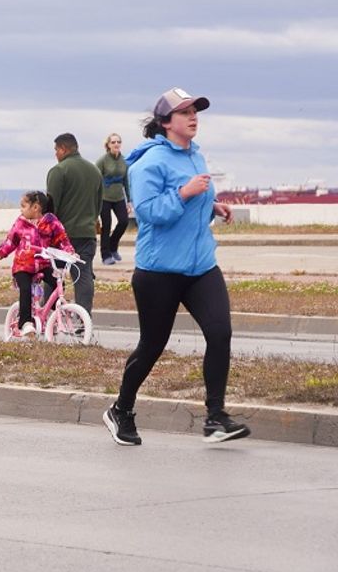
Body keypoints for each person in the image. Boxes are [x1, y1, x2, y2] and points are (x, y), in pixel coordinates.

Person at [103, 87, 251, 446]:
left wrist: (212, 207)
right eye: (185, 112)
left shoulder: (195, 155)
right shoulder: (149, 163)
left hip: (200, 265)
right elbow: (150, 213)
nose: (193, 117)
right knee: (153, 344)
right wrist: (184, 194)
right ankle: (121, 409)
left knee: (220, 333)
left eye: (196, 111)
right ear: (166, 122)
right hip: (159, 271)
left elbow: (196, 198)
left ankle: (215, 418)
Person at [0, 191, 75, 338]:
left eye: (23, 206)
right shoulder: (20, 223)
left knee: (58, 284)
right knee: (25, 289)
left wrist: (70, 253)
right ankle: (25, 323)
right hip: (22, 266)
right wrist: (1, 253)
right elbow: (11, 241)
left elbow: (63, 240)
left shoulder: (52, 223)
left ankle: (53, 315)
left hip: (43, 265)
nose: (21, 209)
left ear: (35, 207)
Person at [46, 132, 102, 315]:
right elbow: (98, 203)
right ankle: (83, 320)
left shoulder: (59, 171)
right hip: (87, 234)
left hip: (61, 236)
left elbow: (51, 208)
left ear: (63, 149)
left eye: (56, 150)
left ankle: (50, 319)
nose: (55, 154)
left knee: (54, 276)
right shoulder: (95, 171)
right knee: (83, 276)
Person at [95, 133, 132, 265]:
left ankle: (113, 246)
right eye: (113, 142)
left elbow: (126, 181)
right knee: (107, 225)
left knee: (123, 222)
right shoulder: (102, 160)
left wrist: (129, 200)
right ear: (108, 145)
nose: (116, 144)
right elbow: (95, 180)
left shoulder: (124, 161)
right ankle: (106, 255)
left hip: (119, 197)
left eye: (118, 142)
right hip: (104, 197)